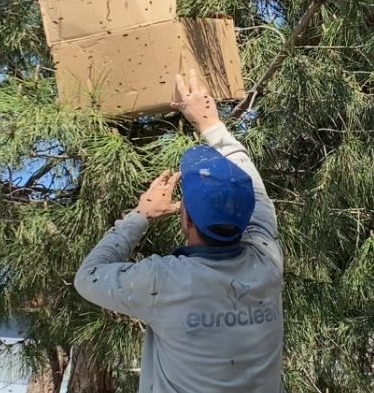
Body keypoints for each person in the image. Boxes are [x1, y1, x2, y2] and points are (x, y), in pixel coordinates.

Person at [73, 69, 283, 393]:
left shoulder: (165, 282)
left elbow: (88, 277)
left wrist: (140, 214)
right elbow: (256, 192)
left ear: (185, 220)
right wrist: (211, 124)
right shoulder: (266, 260)